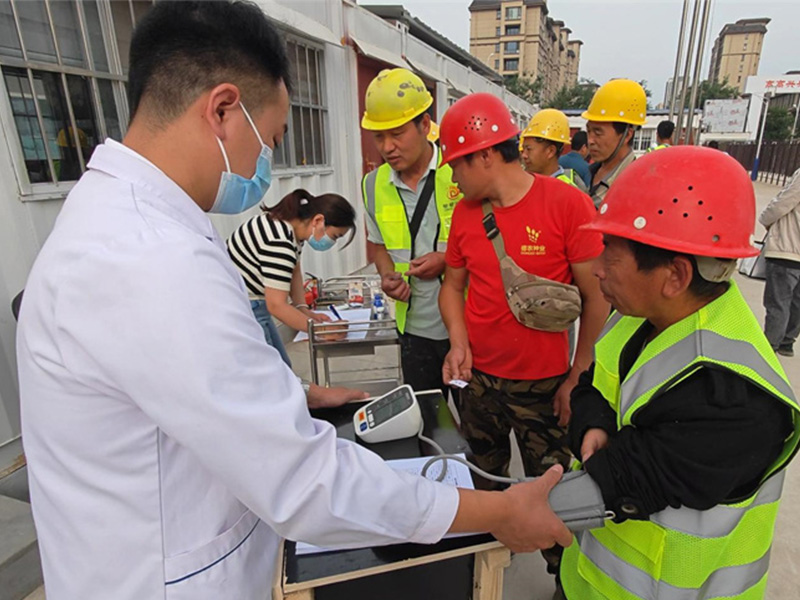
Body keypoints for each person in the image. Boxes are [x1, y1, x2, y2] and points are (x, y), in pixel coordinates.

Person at [16, 3, 572, 599]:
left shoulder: (131, 225)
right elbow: (306, 482)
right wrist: (496, 513)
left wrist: (294, 394)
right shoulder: (147, 259)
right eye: (272, 139)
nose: (265, 165)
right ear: (223, 110)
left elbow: (186, 385)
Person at [559, 146, 800, 600]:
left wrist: (506, 513)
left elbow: (630, 479)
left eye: (611, 253)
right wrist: (591, 423)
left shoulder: (735, 398)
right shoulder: (638, 312)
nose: (596, 270)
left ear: (675, 274)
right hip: (590, 582)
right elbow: (594, 383)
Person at [438, 93, 609, 577]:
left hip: (544, 387)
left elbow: (597, 298)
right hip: (479, 385)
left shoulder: (566, 205)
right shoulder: (467, 214)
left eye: (456, 165)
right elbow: (452, 286)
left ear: (486, 155)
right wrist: (458, 339)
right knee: (484, 483)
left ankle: (566, 577)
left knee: (553, 492)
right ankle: (489, 564)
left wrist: (579, 373)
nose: (452, 177)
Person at [361, 68, 463, 395]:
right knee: (428, 421)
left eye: (397, 133)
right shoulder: (373, 185)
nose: (388, 147)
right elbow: (378, 246)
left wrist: (447, 260)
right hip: (414, 330)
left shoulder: (460, 170)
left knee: (474, 431)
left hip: (468, 326)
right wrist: (388, 276)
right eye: (379, 137)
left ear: (424, 126)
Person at [226, 188, 356, 366]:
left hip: (250, 303)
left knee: (282, 368)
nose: (332, 242)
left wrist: (303, 309)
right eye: (335, 236)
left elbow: (294, 269)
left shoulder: (286, 226)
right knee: (274, 374)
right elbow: (276, 305)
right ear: (318, 220)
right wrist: (320, 329)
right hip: (246, 308)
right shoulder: (280, 242)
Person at [583, 79, 647, 208]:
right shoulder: (587, 173)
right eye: (589, 131)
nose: (590, 140)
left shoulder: (636, 187)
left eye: (598, 132)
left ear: (627, 135)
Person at [760, 167, 800, 357]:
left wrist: (764, 219)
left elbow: (783, 203)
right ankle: (787, 342)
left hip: (788, 248)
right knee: (797, 302)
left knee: (778, 301)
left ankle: (771, 345)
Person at [520, 108, 589, 193]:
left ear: (550, 151)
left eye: (529, 149)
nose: (524, 155)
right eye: (523, 149)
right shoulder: (521, 185)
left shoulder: (569, 191)